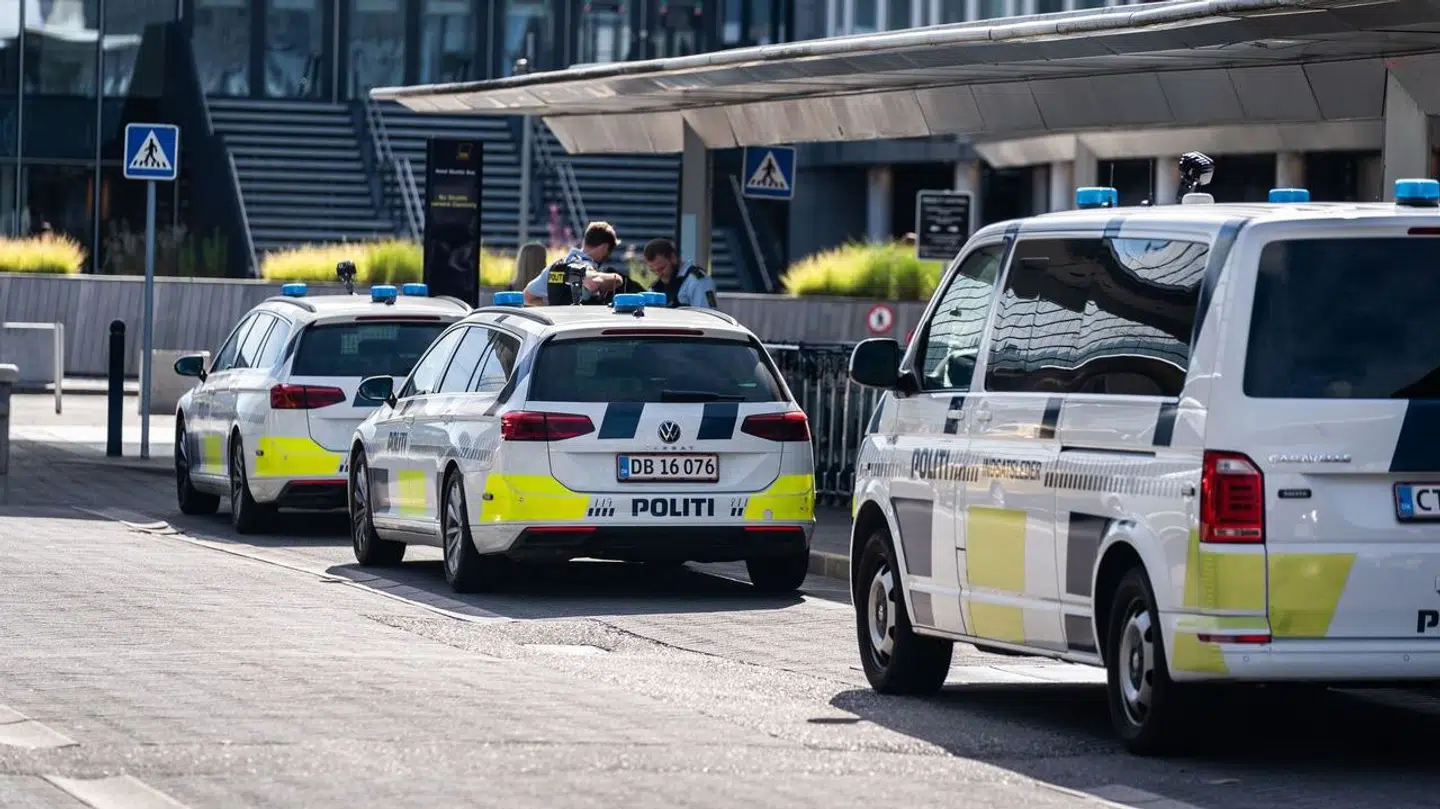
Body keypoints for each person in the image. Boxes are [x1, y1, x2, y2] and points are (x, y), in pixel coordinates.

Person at [523, 221, 626, 306]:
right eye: (609, 251)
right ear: (604, 247)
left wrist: (554, 307)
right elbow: (592, 282)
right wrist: (617, 279)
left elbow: (526, 297)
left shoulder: (555, 268)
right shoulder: (585, 265)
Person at [643, 238, 718, 309]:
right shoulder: (656, 287)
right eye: (653, 270)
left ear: (673, 258)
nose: (659, 274)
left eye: (662, 268)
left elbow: (707, 316)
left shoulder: (697, 282)